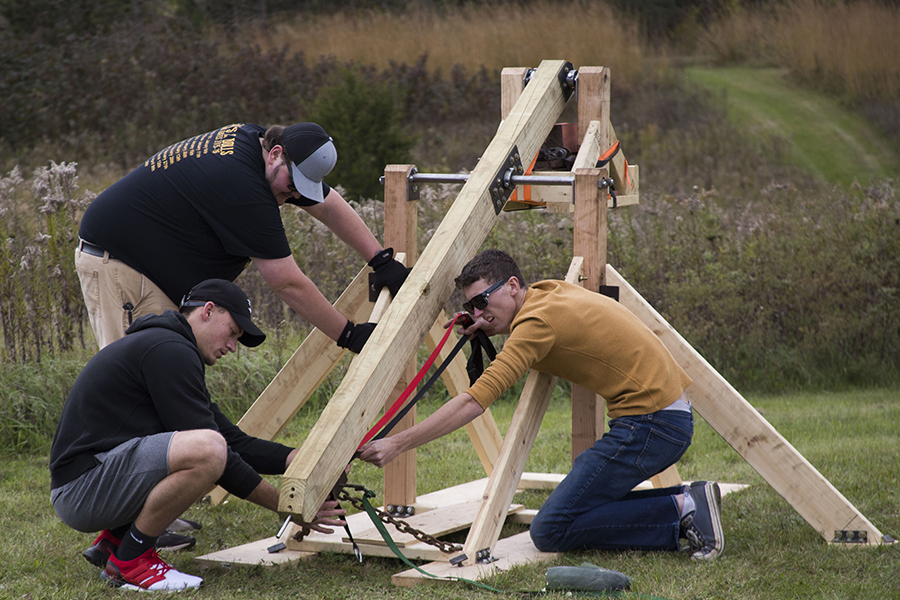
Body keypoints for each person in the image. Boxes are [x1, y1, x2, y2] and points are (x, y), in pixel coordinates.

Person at [358, 249, 725, 560]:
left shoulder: (535, 324)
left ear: (513, 286)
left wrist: (397, 444)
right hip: (661, 416)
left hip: (652, 425)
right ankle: (688, 500)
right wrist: (487, 321)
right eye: (470, 306)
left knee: (551, 529)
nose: (478, 312)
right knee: (576, 508)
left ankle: (685, 509)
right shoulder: (549, 292)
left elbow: (474, 401)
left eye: (482, 301)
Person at [50, 279, 346, 592]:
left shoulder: (168, 346)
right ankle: (131, 562)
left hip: (90, 482)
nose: (232, 346)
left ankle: (115, 541)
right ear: (207, 312)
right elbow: (217, 453)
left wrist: (298, 459)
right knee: (207, 452)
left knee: (210, 445)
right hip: (82, 492)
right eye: (232, 332)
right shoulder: (169, 351)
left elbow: (233, 441)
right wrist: (286, 507)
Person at [75, 121, 408, 350]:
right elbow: (287, 282)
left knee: (166, 379)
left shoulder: (256, 142)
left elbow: (327, 204)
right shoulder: (243, 187)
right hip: (123, 269)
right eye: (292, 187)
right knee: (136, 385)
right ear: (276, 153)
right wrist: (348, 335)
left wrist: (380, 260)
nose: (293, 196)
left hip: (152, 272)